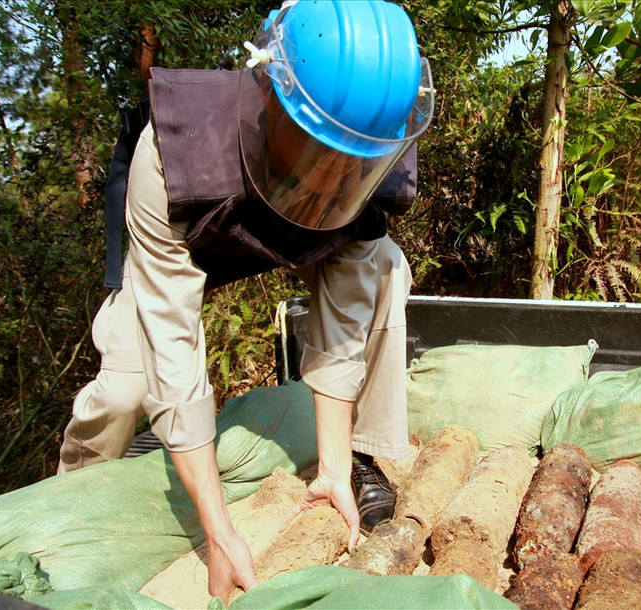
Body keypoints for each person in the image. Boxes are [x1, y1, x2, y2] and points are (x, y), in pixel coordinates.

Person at [56, 1, 434, 603]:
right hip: (191, 218)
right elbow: (173, 347)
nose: (329, 177)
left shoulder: (369, 163)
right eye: (318, 152)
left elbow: (344, 320)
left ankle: (359, 459)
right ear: (272, 97)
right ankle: (74, 503)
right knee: (129, 381)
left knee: (387, 264)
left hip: (289, 226)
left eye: (349, 162)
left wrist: (330, 465)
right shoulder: (171, 156)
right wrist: (218, 530)